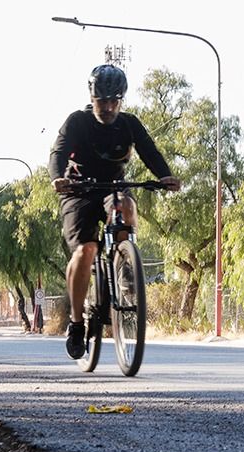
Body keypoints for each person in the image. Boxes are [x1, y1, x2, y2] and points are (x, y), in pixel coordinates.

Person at [50, 63, 180, 359]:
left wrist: (165, 176)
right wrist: (58, 178)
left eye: (114, 101)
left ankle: (125, 267)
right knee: (86, 250)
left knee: (127, 206)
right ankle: (76, 323)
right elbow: (58, 152)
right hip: (78, 190)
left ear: (121, 100)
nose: (108, 107)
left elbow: (149, 151)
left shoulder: (129, 124)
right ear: (92, 97)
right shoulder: (77, 122)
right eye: (102, 100)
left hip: (113, 187)